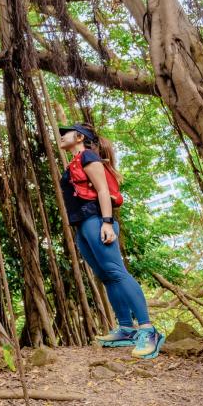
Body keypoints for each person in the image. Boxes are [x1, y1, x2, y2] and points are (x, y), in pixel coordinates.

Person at [57, 122, 165, 359]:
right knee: (106, 276)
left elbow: (103, 190)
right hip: (82, 225)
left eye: (65, 132)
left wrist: (107, 222)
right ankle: (126, 328)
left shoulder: (88, 157)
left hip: (97, 220)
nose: (61, 136)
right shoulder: (74, 161)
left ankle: (148, 330)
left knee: (117, 272)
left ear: (79, 136)